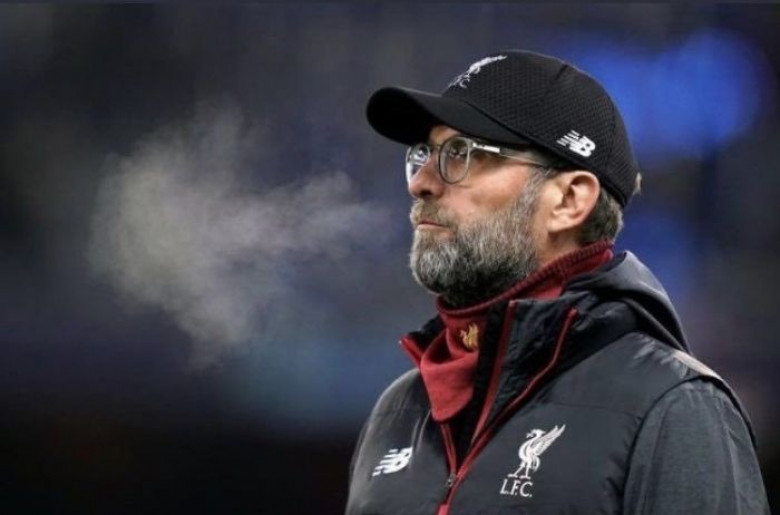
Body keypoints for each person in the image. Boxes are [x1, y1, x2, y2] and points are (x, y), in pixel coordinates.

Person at [345, 50, 770, 515]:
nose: (421, 182)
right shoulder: (400, 409)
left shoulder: (673, 405)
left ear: (569, 200)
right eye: (424, 154)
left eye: (462, 154)